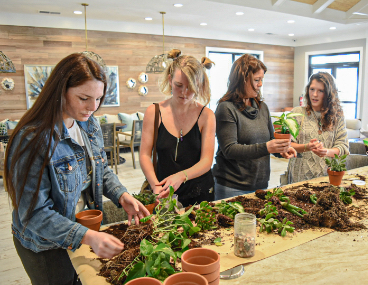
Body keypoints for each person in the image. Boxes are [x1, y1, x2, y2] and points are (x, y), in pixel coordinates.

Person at [5, 53, 150, 285]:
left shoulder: (89, 124)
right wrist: (87, 236)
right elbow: (33, 213)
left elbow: (100, 168)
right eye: (84, 98)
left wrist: (121, 195)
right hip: (46, 245)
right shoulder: (32, 139)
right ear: (60, 91)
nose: (92, 107)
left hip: (84, 229)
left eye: (98, 99)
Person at [213, 54, 296, 200]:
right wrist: (267, 147)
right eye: (256, 80)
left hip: (260, 186)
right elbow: (229, 150)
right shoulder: (226, 108)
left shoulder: (262, 107)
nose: (260, 84)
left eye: (262, 80)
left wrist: (280, 150)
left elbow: (269, 141)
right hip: (231, 187)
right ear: (241, 80)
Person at [139, 49, 216, 207]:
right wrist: (155, 186)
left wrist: (182, 176)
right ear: (169, 80)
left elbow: (207, 161)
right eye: (179, 85)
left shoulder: (206, 115)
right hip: (164, 193)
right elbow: (145, 155)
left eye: (191, 87)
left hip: (199, 192)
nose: (185, 93)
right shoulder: (154, 112)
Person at [283, 72, 349, 185]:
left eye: (320, 91)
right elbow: (287, 145)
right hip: (298, 178)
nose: (314, 94)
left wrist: (327, 152)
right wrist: (307, 147)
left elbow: (343, 147)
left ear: (329, 94)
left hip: (327, 178)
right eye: (312, 89)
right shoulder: (297, 113)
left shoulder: (337, 116)